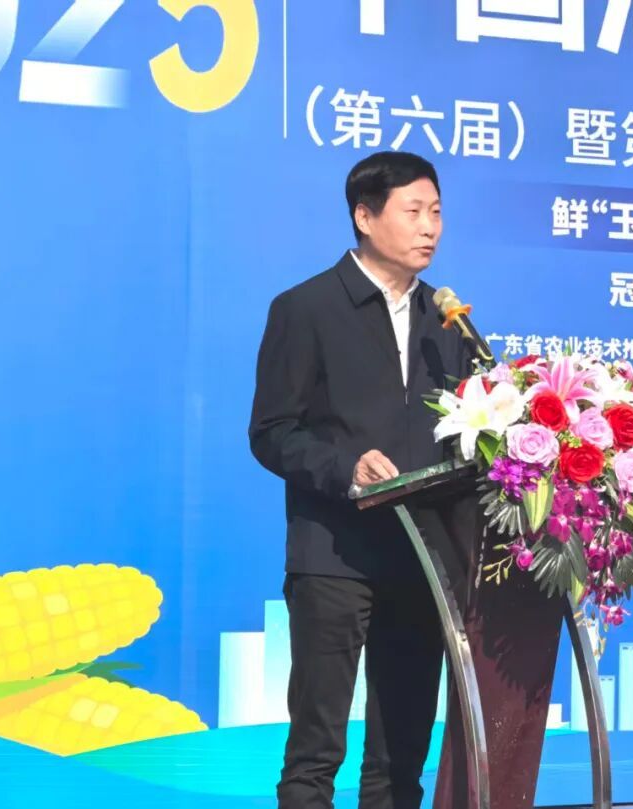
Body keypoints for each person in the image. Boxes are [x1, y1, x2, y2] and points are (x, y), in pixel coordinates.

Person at [249, 151, 468, 809]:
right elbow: (272, 431)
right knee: (315, 751)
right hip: (334, 556)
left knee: (401, 756)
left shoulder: (449, 321)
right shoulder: (306, 308)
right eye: (414, 211)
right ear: (365, 217)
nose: (430, 226)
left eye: (437, 212)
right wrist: (347, 468)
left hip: (422, 558)